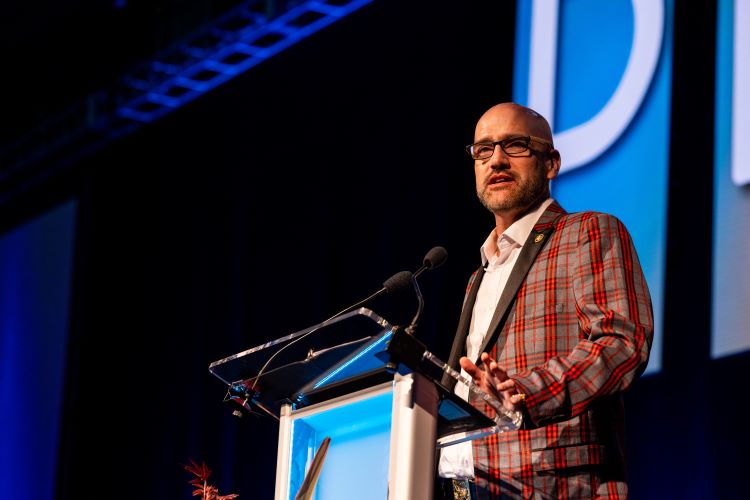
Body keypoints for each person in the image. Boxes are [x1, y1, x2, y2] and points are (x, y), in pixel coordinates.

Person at [436, 102, 653, 499]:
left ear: (550, 163)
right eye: (483, 150)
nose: (496, 159)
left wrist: (524, 393)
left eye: (515, 145)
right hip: (467, 484)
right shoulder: (477, 277)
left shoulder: (588, 231)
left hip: (552, 482)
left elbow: (622, 342)